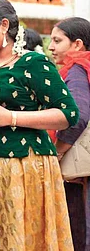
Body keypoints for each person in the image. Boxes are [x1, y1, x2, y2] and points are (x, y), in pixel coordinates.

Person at [0, 0, 78, 250]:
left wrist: (11, 118)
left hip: (27, 165)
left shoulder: (32, 63)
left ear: (3, 25)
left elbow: (68, 113)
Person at [49, 17, 90, 251]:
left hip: (80, 168)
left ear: (77, 44)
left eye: (57, 40)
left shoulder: (77, 70)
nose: (51, 47)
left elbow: (78, 115)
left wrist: (58, 152)